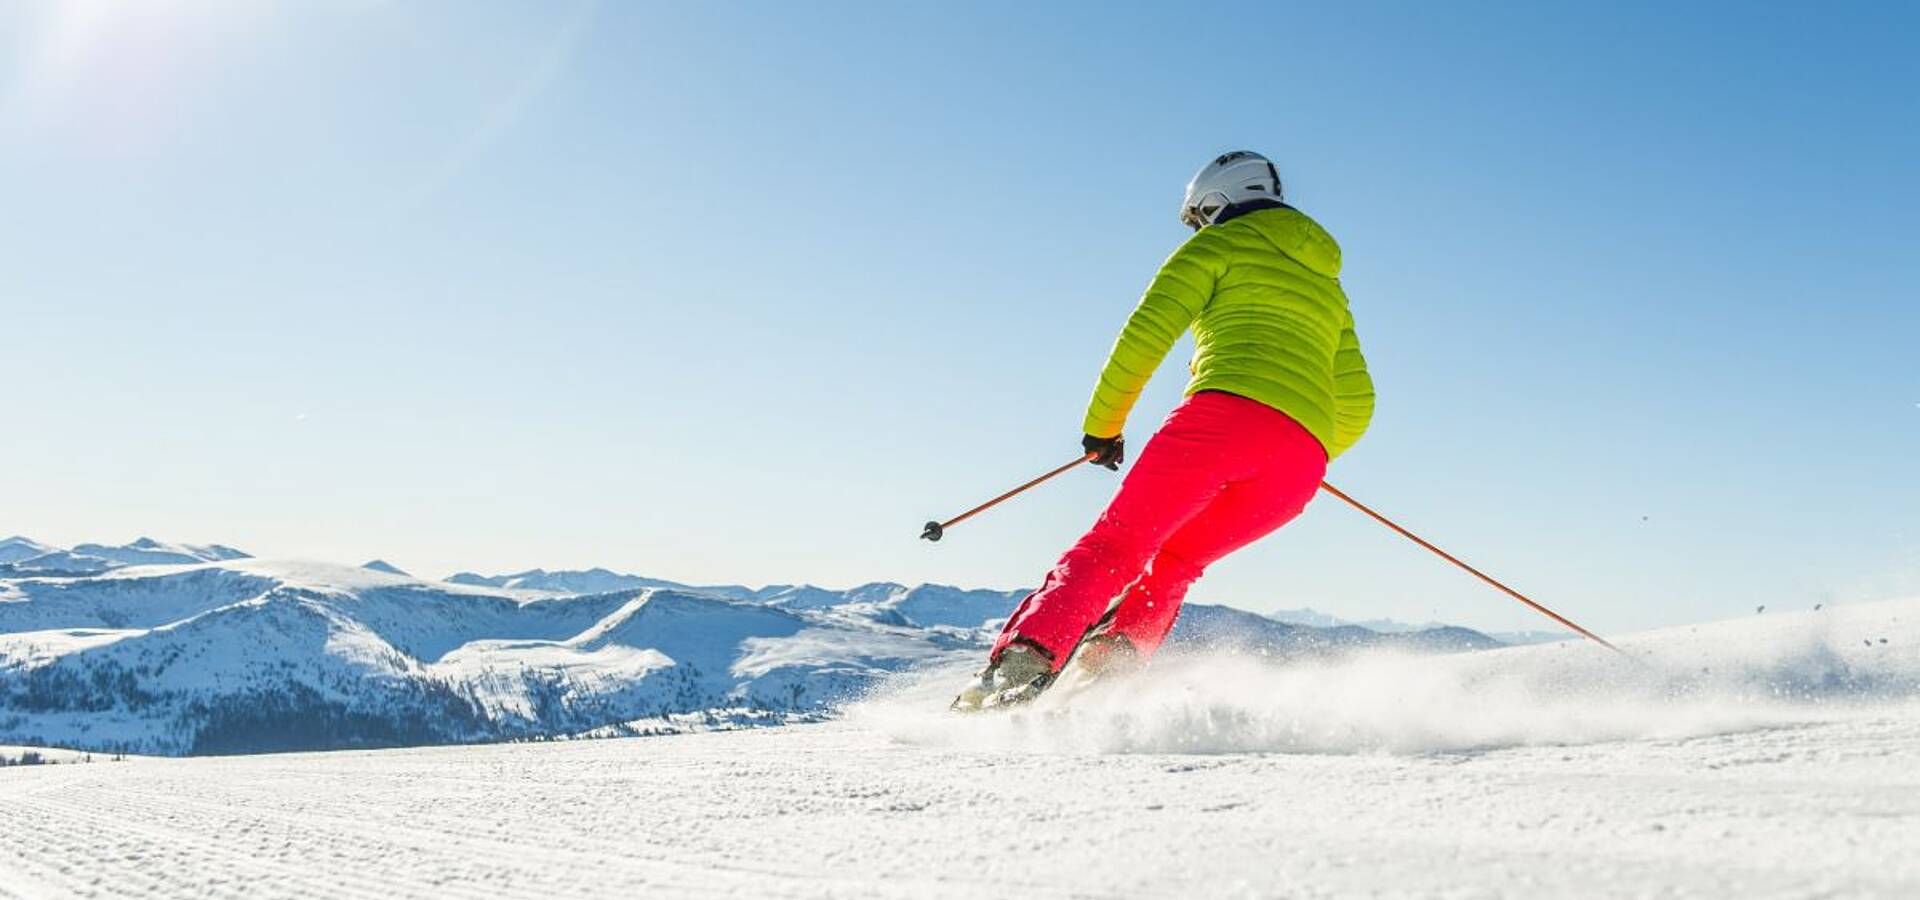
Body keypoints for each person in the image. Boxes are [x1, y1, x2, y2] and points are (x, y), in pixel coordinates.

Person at [954, 150, 1375, 711]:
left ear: (1215, 202)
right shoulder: (1329, 288)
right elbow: (1359, 402)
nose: (1198, 227)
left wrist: (1103, 428)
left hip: (1220, 424)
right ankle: (1104, 680)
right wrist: (1308, 448)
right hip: (1298, 467)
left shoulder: (1218, 245)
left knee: (1115, 546)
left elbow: (1147, 333)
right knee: (1177, 562)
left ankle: (1014, 674)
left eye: (1199, 216)